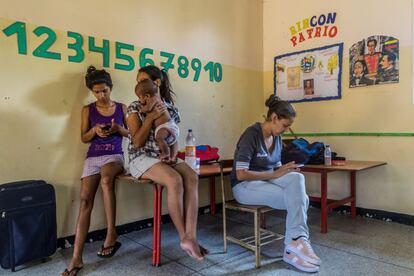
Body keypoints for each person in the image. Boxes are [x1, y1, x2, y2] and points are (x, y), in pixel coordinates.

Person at [231, 94, 321, 273]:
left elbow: (276, 168)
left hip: (264, 182)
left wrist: (286, 171)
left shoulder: (277, 138)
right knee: (301, 200)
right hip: (244, 187)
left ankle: (295, 241)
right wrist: (274, 173)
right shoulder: (252, 135)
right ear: (274, 118)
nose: (287, 130)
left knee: (298, 179)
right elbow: (240, 174)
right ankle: (295, 244)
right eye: (285, 125)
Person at [127, 65, 207, 261]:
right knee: (174, 180)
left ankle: (192, 236)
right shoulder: (135, 106)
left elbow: (173, 135)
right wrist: (151, 118)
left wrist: (173, 155)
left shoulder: (170, 107)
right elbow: (136, 142)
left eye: (142, 81)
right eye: (138, 82)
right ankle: (183, 237)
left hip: (163, 155)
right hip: (141, 157)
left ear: (156, 83)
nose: (139, 86)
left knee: (190, 176)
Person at [61, 66, 129, 276]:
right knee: (84, 201)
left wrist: (118, 129)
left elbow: (132, 134)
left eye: (104, 91)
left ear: (111, 88)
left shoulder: (122, 107)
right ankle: (76, 258)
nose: (101, 95)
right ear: (92, 91)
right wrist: (94, 130)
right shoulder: (87, 110)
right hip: (93, 157)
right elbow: (83, 137)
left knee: (106, 181)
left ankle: (111, 233)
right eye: (97, 91)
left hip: (114, 156)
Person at [134, 79, 179, 163]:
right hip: (170, 126)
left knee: (159, 138)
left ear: (147, 96)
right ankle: (172, 157)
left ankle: (166, 153)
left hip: (165, 126)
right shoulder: (158, 99)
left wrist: (141, 109)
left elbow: (148, 108)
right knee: (172, 141)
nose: (139, 100)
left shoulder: (154, 99)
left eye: (139, 97)